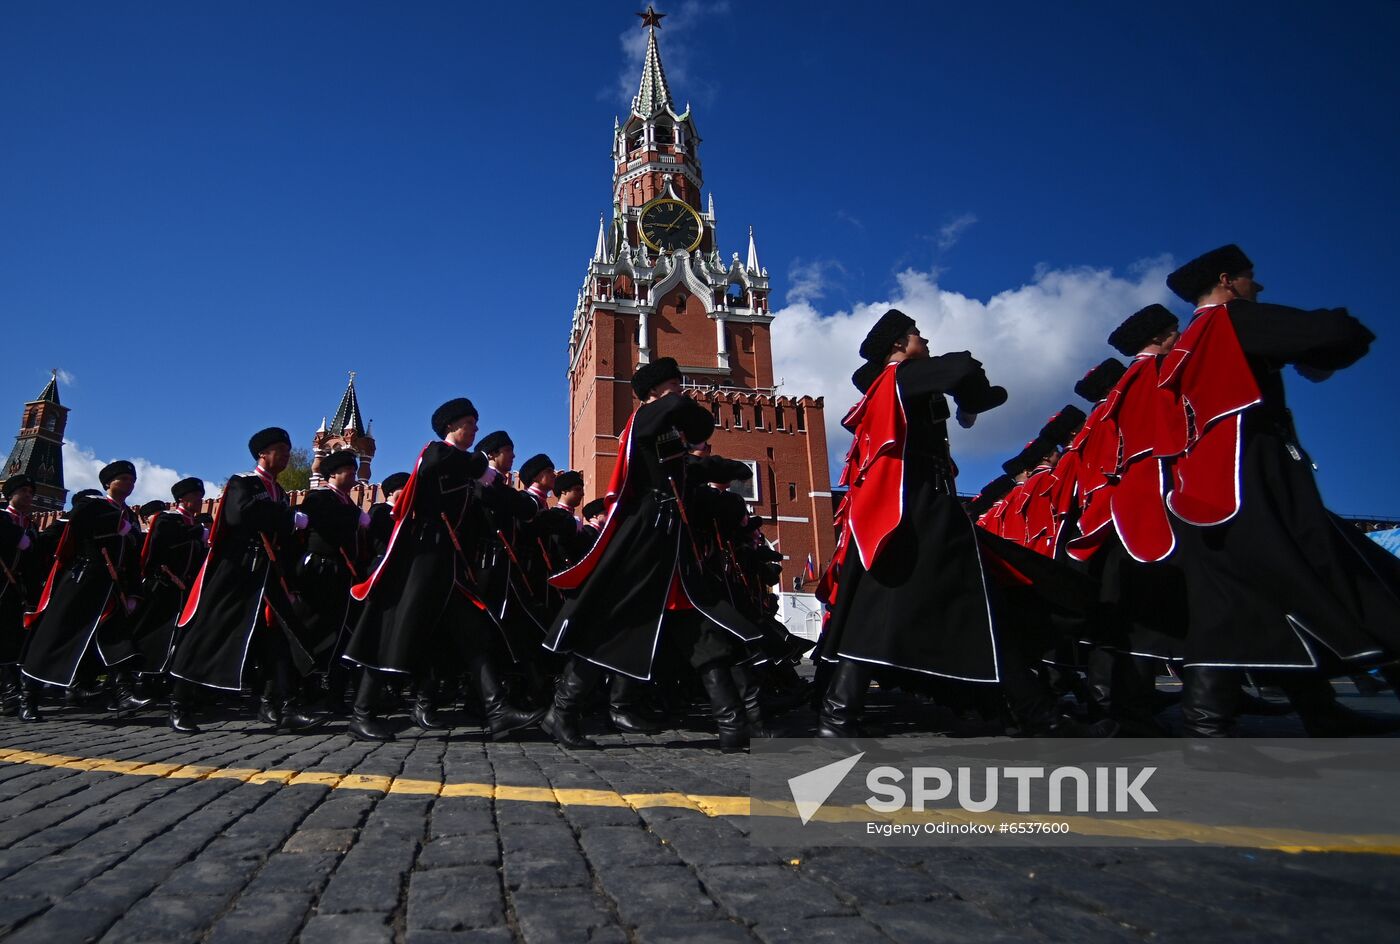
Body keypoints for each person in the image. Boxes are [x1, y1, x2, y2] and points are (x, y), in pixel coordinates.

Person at [816, 309, 1113, 738]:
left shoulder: (895, 386)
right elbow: (962, 363)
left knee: (959, 611)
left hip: (909, 513)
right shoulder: (901, 377)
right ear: (898, 346)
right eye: (917, 335)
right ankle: (1037, 715)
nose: (926, 341)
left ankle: (1033, 713)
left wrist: (969, 400)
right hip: (918, 512)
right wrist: (975, 397)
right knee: (951, 609)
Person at [1158, 245, 1400, 736]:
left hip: (1198, 491)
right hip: (1253, 477)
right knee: (1335, 575)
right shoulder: (1233, 322)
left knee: (1238, 598)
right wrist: (1323, 358)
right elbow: (1338, 330)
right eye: (1250, 277)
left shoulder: (1183, 347)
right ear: (1227, 281)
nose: (1258, 286)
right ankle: (1214, 718)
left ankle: (1234, 716)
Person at [543, 357, 766, 751]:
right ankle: (562, 711)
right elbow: (686, 417)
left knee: (697, 624)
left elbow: (681, 469)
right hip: (646, 537)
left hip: (668, 541)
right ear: (655, 393)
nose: (681, 391)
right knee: (613, 624)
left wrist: (722, 465)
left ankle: (733, 723)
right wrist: (677, 401)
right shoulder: (644, 419)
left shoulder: (660, 429)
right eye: (675, 385)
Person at [343, 399, 545, 742]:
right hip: (420, 563)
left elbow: (500, 501)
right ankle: (361, 713)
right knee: (394, 631)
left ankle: (498, 712)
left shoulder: (471, 471)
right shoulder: (437, 453)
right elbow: (436, 460)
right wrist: (480, 467)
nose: (476, 429)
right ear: (452, 426)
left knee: (474, 633)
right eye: (470, 422)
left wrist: (530, 502)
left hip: (451, 568)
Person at [169, 428, 325, 733]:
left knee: (281, 639)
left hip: (267, 573)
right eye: (279, 449)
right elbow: (240, 515)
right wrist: (285, 517)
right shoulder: (244, 483)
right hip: (238, 571)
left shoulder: (279, 492)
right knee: (210, 633)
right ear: (262, 454)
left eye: (288, 449)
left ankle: (281, 706)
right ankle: (180, 705)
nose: (286, 455)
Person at [23, 460, 147, 713]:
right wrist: (115, 524)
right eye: (122, 478)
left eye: (132, 479)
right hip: (84, 581)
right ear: (107, 484)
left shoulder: (131, 517)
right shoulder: (93, 504)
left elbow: (134, 557)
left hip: (113, 587)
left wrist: (134, 591)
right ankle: (29, 697)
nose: (129, 483)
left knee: (116, 637)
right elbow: (78, 522)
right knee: (59, 637)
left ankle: (123, 693)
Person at [127, 477, 209, 731]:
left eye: (201, 495)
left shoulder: (193, 524)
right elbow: (156, 551)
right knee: (154, 638)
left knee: (182, 642)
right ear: (183, 499)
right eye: (195, 495)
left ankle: (178, 696)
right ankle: (138, 685)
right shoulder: (168, 520)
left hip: (186, 592)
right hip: (164, 588)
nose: (200, 500)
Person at [297, 450, 369, 713]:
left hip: (343, 574)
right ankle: (304, 690)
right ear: (333, 473)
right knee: (314, 629)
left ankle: (335, 692)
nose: (353, 475)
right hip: (320, 570)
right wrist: (355, 518)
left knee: (341, 633)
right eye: (349, 470)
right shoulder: (320, 498)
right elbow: (327, 522)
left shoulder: (348, 504)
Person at [0, 476, 43, 720]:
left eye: (31, 491)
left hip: (22, 590)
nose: (28, 495)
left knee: (17, 640)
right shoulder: (4, 519)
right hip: (3, 587)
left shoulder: (30, 525)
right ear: (10, 495)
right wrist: (16, 536)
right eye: (23, 491)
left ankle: (14, 693)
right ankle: (9, 693)